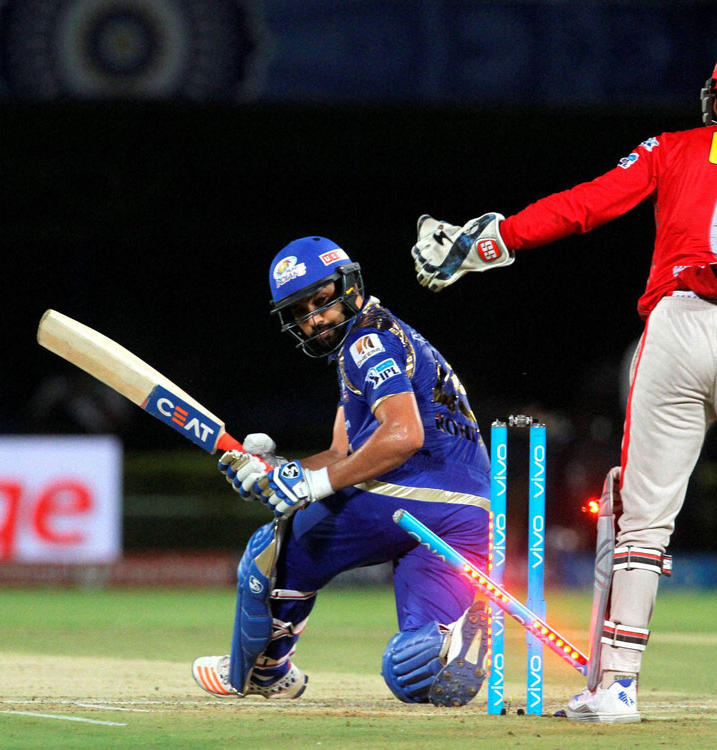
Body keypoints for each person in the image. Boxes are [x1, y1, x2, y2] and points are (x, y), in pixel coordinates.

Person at [411, 42, 717, 722]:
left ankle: (615, 688)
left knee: (641, 517)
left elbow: (586, 205)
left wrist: (491, 242)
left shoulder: (672, 148)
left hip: (673, 327)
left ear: (716, 99)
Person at [191, 236, 492, 707]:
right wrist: (275, 471)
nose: (313, 318)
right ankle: (451, 640)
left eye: (322, 300)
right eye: (299, 311)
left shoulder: (366, 344)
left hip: (418, 493)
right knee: (413, 672)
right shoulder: (385, 335)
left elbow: (404, 436)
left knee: (276, 548)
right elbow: (340, 453)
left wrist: (310, 486)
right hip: (471, 518)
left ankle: (264, 671)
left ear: (348, 286)